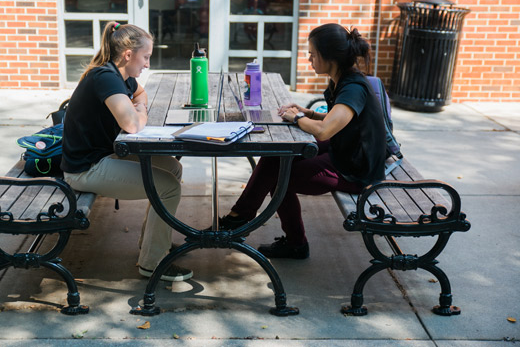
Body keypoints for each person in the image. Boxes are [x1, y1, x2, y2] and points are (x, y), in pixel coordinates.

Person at [218, 23, 387, 259]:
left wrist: (297, 117)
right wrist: (308, 114)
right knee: (278, 154)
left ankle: (291, 242)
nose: (309, 59)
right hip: (346, 151)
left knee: (281, 177)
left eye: (313, 54)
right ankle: (239, 218)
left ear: (330, 57)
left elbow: (324, 131)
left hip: (356, 170)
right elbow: (338, 119)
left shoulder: (353, 87)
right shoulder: (341, 80)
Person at [60, 22, 192, 281]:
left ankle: (154, 244)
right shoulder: (105, 77)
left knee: (173, 167)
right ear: (128, 55)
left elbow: (140, 94)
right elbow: (131, 124)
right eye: (146, 57)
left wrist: (138, 108)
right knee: (168, 186)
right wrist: (140, 113)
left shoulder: (122, 76)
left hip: (104, 155)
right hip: (86, 168)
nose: (148, 65)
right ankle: (153, 263)